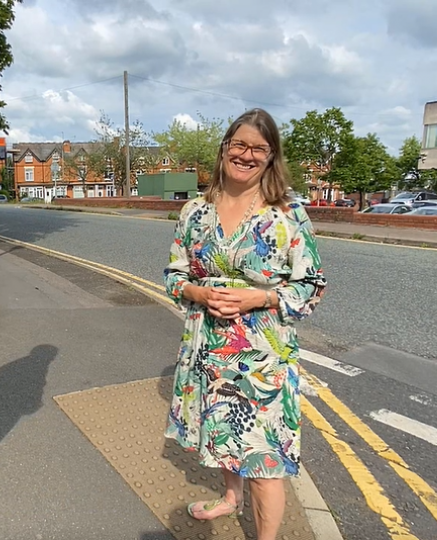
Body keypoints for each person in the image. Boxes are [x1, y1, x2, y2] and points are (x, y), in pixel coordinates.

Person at [163, 108, 326, 540]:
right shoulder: (195, 211)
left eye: (258, 148)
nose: (246, 155)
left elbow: (311, 284)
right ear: (224, 150)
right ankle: (230, 498)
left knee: (264, 458)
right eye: (239, 145)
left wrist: (262, 296)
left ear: (271, 156)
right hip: (206, 344)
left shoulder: (287, 214)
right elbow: (174, 274)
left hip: (262, 357)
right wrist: (198, 293)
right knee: (220, 430)